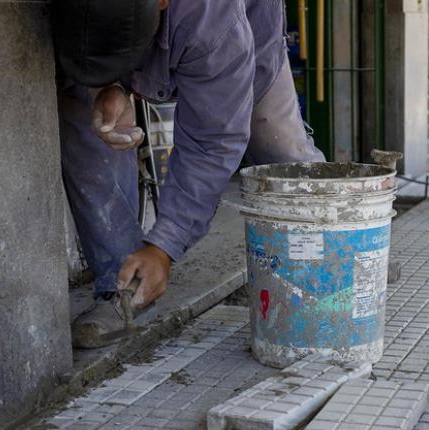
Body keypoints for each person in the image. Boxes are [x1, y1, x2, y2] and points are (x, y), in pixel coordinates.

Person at [54, 0, 325, 348]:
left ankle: (340, 252)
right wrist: (114, 86)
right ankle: (127, 288)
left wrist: (164, 245)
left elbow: (212, 142)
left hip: (241, 27)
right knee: (90, 118)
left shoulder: (214, 22)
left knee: (279, 147)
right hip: (137, 26)